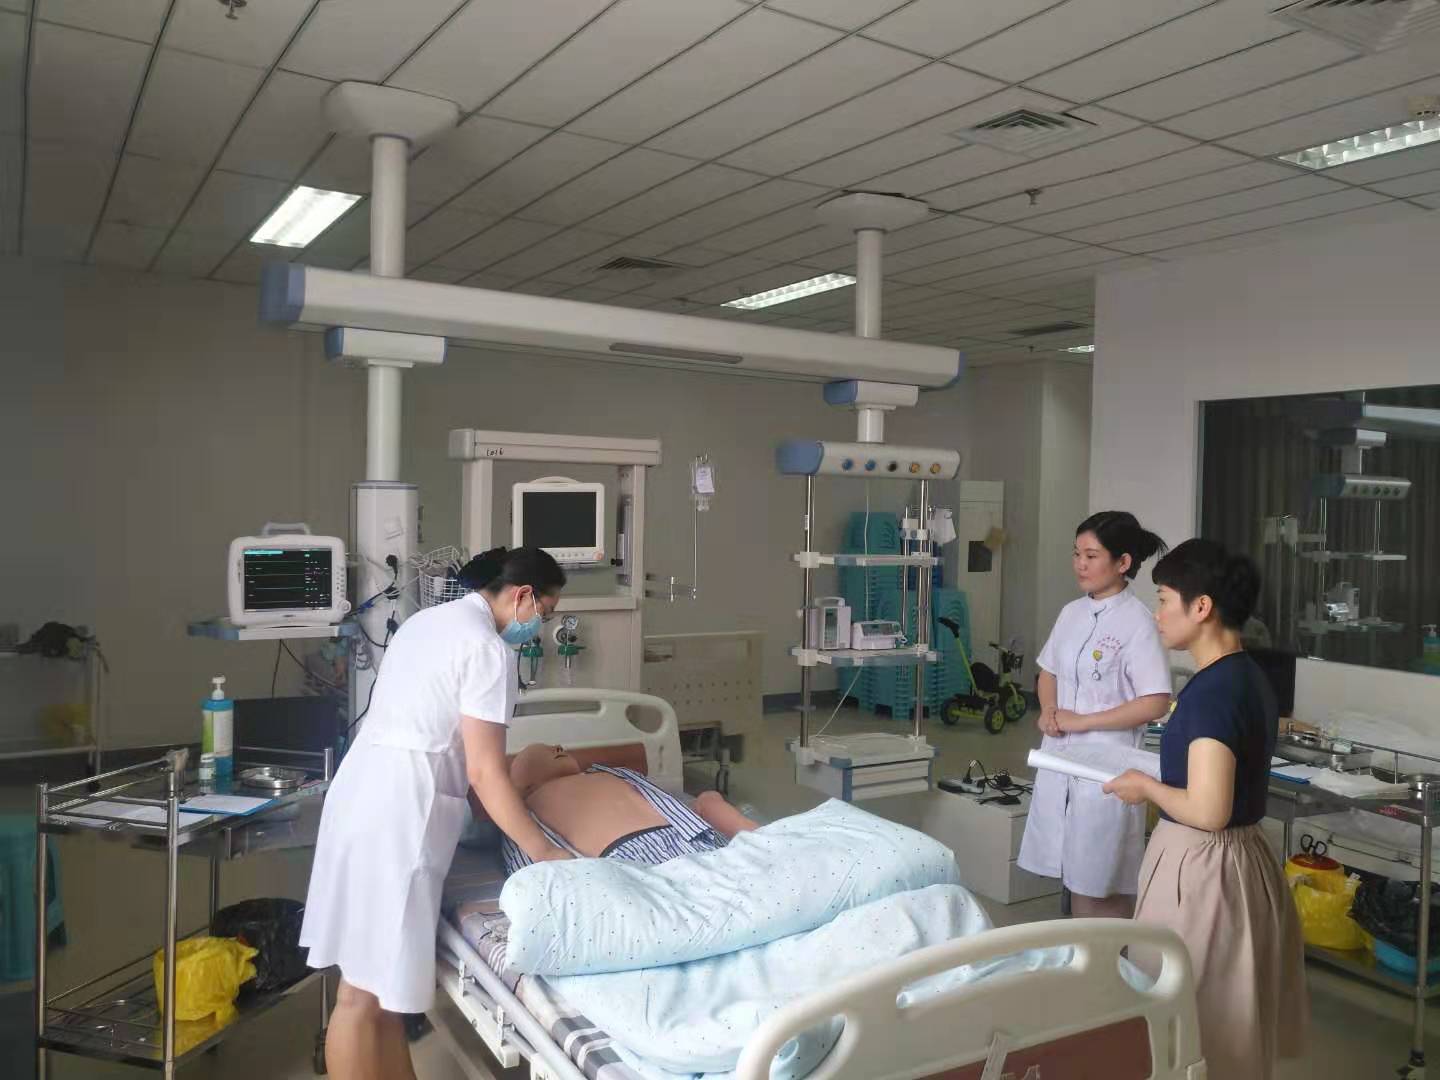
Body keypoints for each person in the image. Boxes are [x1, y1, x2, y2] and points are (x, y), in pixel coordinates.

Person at [300, 547, 572, 1080]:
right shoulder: (487, 650)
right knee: (360, 996)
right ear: (523, 596)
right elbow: (485, 773)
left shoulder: (427, 623)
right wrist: (546, 853)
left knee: (381, 994)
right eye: (546, 611)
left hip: (363, 792)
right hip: (399, 814)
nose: (540, 624)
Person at [1104, 539, 1307, 1080]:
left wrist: (1146, 787)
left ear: (1201, 607)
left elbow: (1209, 808)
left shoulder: (1213, 693)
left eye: (1163, 600)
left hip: (1205, 869)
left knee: (1194, 1024)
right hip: (1240, 860)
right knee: (1225, 1022)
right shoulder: (1247, 676)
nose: (1157, 614)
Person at [1017, 511, 1173, 918]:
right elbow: (1049, 670)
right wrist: (1048, 710)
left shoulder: (1138, 622)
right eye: (1076, 554)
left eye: (1091, 556)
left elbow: (1155, 701)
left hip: (1106, 766)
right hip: (1061, 756)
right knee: (1072, 877)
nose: (1080, 565)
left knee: (1099, 883)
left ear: (1123, 563)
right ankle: (1080, 953)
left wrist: (1082, 721)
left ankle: (1106, 956)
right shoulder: (1071, 612)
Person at [498, 744, 758, 872]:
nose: (557, 747)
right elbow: (532, 862)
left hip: (690, 839)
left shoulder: (610, 773)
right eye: (546, 750)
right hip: (624, 861)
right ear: (523, 784)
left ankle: (762, 841)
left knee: (709, 800)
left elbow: (661, 801)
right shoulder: (521, 813)